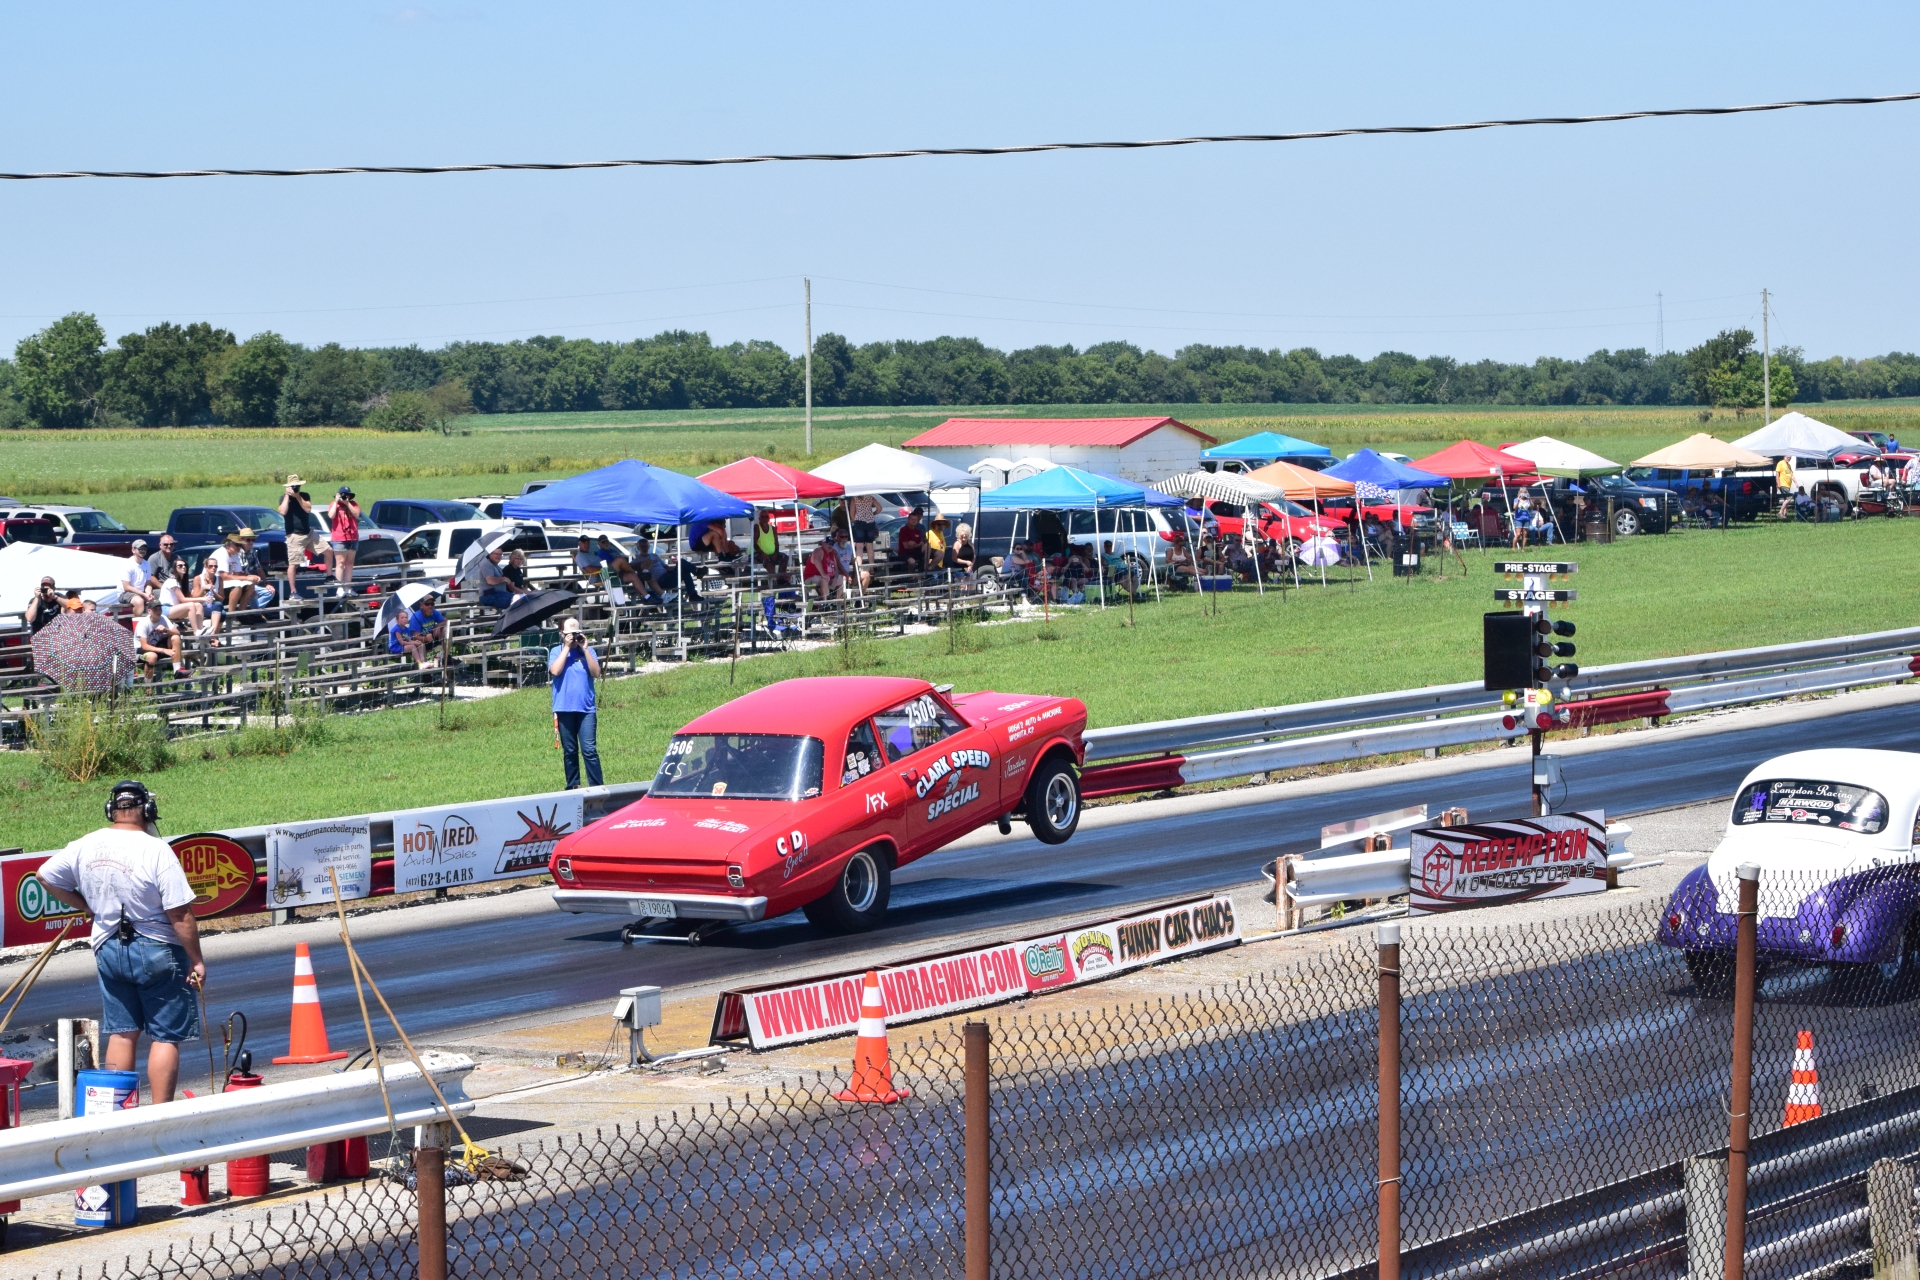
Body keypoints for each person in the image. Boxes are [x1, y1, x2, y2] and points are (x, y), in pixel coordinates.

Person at [37, 781, 206, 1106]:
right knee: (165, 1036)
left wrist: (86, 906)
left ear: (110, 810)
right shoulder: (156, 850)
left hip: (108, 946)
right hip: (157, 948)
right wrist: (196, 959)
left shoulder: (86, 844)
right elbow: (180, 913)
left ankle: (117, 1113)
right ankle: (160, 1114)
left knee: (122, 1032)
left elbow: (45, 876)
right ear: (148, 811)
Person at [547, 618, 603, 790]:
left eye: (575, 634)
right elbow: (555, 671)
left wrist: (584, 649)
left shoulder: (588, 651)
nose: (572, 637)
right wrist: (566, 647)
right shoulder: (556, 651)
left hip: (586, 709)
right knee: (570, 751)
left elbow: (596, 673)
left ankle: (597, 787)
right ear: (561, 634)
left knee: (589, 750)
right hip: (564, 708)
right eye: (569, 634)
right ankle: (573, 786)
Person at [278, 476, 322, 601]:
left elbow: (308, 509)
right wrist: (287, 496)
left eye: (297, 486)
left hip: (308, 533)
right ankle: (293, 592)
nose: (295, 488)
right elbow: (282, 511)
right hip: (294, 534)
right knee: (293, 564)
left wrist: (297, 496)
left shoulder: (304, 496)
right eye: (293, 486)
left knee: (328, 551)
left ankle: (330, 577)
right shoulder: (283, 498)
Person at [132, 600, 186, 679]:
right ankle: (148, 685)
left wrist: (166, 630)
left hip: (156, 646)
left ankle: (177, 671)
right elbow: (144, 646)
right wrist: (164, 650)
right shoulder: (143, 623)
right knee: (152, 657)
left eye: (159, 609)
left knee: (175, 638)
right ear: (149, 611)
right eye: (155, 609)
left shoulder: (163, 618)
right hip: (141, 651)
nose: (158, 611)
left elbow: (177, 633)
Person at [325, 486, 361, 591]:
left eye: (347, 495)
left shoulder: (353, 504)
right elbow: (331, 515)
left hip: (353, 537)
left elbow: (357, 514)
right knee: (340, 563)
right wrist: (336, 502)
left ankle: (348, 587)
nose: (346, 497)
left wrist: (347, 503)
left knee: (350, 563)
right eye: (344, 495)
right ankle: (340, 587)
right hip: (339, 538)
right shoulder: (334, 504)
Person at [386, 597, 431, 669]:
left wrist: (416, 642)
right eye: (402, 618)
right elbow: (402, 642)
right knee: (412, 646)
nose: (404, 619)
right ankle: (419, 664)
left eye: (406, 617)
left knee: (421, 645)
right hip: (396, 647)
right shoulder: (396, 629)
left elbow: (409, 639)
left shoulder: (407, 629)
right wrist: (414, 643)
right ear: (397, 620)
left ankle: (423, 662)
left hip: (404, 646)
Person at [846, 493, 880, 576]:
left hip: (859, 522)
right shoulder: (870, 497)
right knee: (870, 546)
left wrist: (854, 519)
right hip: (870, 522)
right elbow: (879, 508)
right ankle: (872, 568)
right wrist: (873, 513)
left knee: (859, 547)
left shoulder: (855, 498)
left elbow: (852, 513)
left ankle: (859, 569)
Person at [750, 510, 788, 582]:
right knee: (766, 559)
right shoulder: (756, 527)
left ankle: (782, 577)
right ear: (759, 518)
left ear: (769, 519)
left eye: (766, 517)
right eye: (762, 517)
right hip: (757, 553)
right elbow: (754, 544)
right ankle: (775, 578)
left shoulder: (773, 528)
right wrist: (762, 553)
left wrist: (776, 553)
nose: (764, 519)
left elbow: (776, 543)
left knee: (784, 557)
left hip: (771, 553)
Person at [119, 540, 154, 608]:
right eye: (140, 549)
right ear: (133, 550)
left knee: (161, 595)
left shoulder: (147, 564)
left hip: (141, 593)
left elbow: (148, 583)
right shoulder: (127, 564)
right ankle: (137, 615)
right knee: (139, 601)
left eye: (144, 549)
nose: (143, 551)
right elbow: (127, 587)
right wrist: (143, 595)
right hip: (125, 593)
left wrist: (148, 594)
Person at [894, 508, 928, 572]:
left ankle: (924, 568)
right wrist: (917, 544)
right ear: (908, 520)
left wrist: (915, 544)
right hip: (904, 553)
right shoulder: (903, 530)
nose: (914, 521)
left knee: (927, 546)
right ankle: (910, 574)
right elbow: (906, 546)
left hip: (915, 551)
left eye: (915, 519)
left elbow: (921, 542)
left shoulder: (918, 531)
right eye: (912, 519)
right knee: (912, 562)